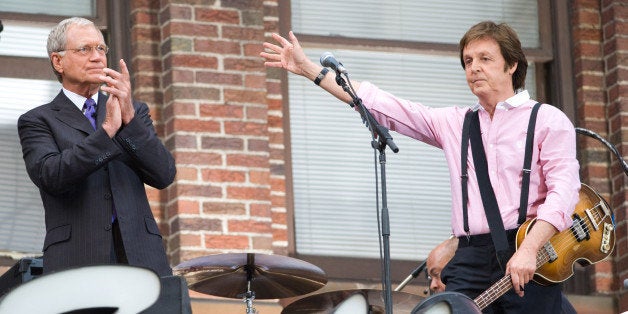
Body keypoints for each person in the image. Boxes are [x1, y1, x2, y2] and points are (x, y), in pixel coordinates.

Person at [261, 21, 580, 313]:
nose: (474, 68)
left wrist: (530, 249)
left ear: (512, 65)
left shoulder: (547, 120)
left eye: (485, 59)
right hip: (469, 258)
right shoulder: (456, 122)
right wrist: (309, 70)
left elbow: (564, 191)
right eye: (468, 61)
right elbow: (384, 105)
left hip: (529, 249)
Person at [17, 17, 175, 277]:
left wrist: (128, 121)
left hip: (141, 256)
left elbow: (164, 174)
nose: (97, 57)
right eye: (85, 49)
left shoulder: (133, 112)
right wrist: (106, 132)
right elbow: (52, 175)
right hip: (76, 258)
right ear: (58, 61)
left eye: (101, 49)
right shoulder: (37, 120)